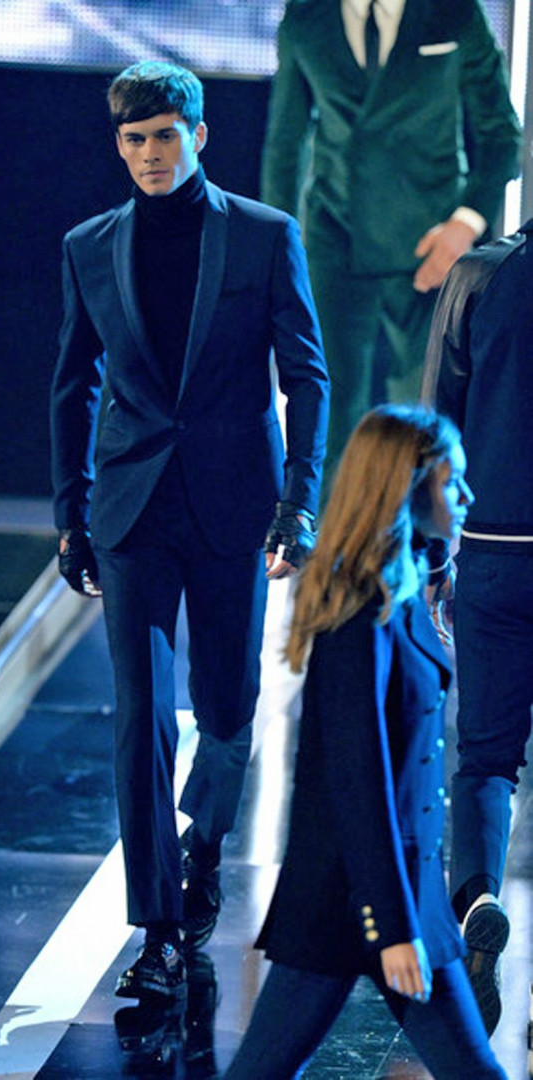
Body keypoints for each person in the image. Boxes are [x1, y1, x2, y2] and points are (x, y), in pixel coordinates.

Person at [50, 60, 329, 1002]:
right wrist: (69, 513)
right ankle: (160, 929)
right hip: (131, 510)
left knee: (226, 706)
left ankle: (202, 845)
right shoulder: (89, 245)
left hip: (232, 502)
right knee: (139, 715)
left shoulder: (264, 235)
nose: (150, 154)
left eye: (165, 136)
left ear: (198, 136)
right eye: (134, 140)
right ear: (118, 145)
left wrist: (299, 503)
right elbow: (72, 384)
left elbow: (307, 377)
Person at [223, 404, 507, 1079]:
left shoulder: (400, 588)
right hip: (348, 902)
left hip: (406, 894)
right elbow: (358, 781)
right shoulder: (360, 611)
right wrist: (391, 926)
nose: (468, 497)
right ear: (406, 486)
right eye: (452, 481)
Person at [261, 0, 522, 486]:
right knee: (325, 412)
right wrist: (275, 254)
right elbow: (285, 144)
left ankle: (427, 533)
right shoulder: (306, 15)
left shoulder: (454, 11)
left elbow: (502, 135)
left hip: (432, 243)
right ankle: (325, 531)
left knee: (426, 416)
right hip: (334, 238)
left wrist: (463, 227)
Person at [421, 218, 533, 1035]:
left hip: (493, 552)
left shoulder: (478, 275)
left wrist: (433, 557)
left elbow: (436, 427)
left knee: (486, 757)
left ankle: (478, 898)